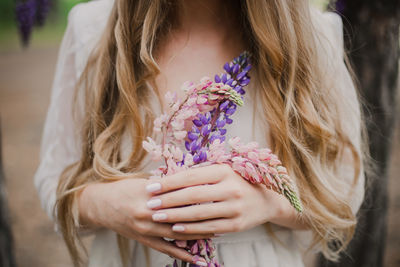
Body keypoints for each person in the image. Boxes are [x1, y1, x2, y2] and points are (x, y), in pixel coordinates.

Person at [34, 0, 369, 266]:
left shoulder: (312, 35)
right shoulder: (91, 29)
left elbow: (345, 196)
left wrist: (269, 203)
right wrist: (102, 203)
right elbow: (53, 180)